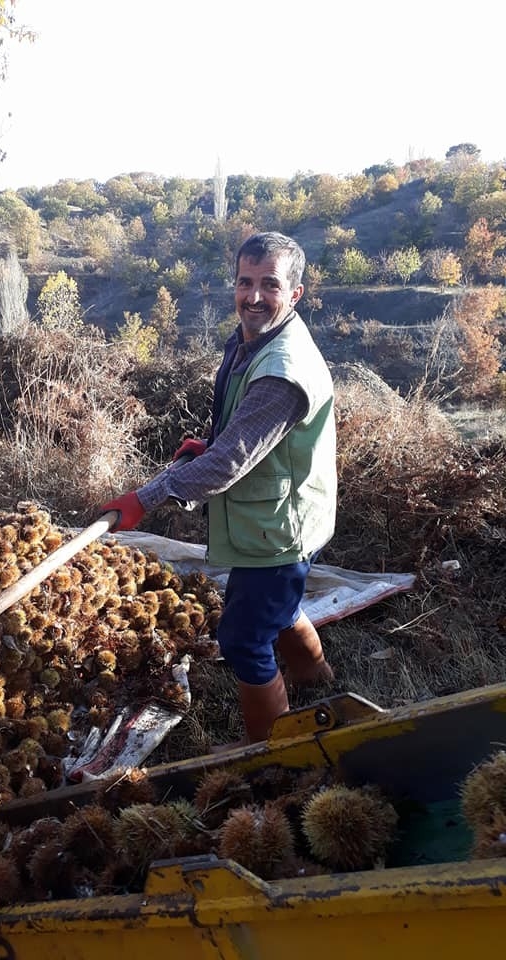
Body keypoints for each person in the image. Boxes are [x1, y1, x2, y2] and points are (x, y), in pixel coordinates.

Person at [100, 231, 337, 745]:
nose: (253, 296)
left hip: (281, 528)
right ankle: (317, 682)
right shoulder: (254, 339)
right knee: (281, 607)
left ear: (294, 293)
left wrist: (146, 497)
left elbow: (232, 461)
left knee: (244, 638)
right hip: (286, 512)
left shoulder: (282, 370)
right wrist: (209, 443)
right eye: (245, 282)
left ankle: (270, 751)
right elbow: (243, 438)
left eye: (269, 284)